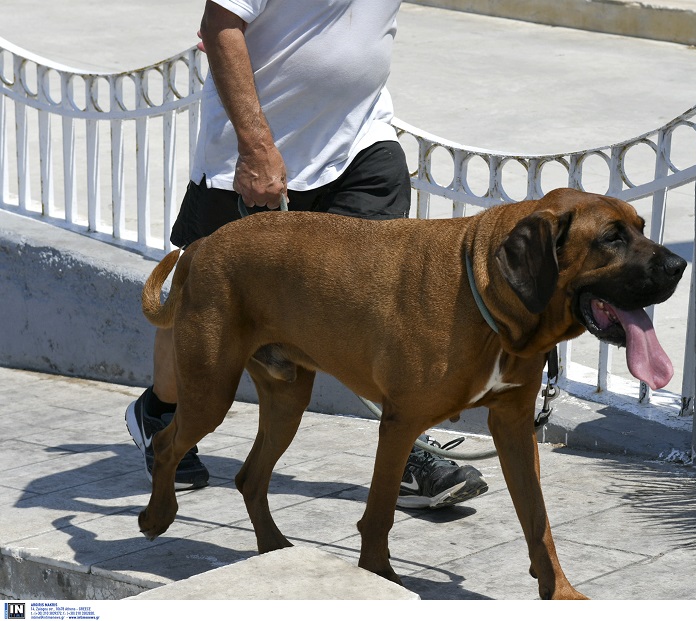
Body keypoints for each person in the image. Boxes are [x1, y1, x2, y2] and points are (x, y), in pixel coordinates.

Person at [125, 0, 487, 510]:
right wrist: (254, 146)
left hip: (360, 141)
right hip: (249, 157)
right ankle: (161, 413)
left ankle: (405, 451)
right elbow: (220, 24)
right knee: (208, 301)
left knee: (379, 303)